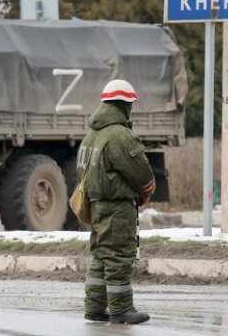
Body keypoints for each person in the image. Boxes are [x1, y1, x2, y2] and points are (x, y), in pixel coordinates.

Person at [76, 79, 156, 324]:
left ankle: (94, 308)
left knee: (101, 255)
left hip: (96, 205)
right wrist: (144, 193)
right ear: (124, 105)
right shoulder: (120, 135)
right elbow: (143, 175)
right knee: (119, 255)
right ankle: (121, 309)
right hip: (117, 207)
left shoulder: (91, 135)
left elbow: (81, 171)